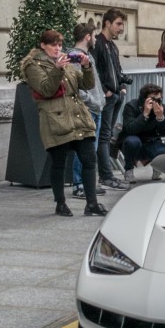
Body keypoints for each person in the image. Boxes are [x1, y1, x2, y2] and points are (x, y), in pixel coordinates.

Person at [20, 29, 105, 217]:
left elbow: (86, 84)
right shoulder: (32, 65)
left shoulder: (65, 61)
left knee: (89, 159)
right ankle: (60, 203)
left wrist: (86, 66)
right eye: (53, 45)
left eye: (59, 45)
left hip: (78, 117)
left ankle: (92, 203)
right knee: (58, 163)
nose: (57, 48)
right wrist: (57, 70)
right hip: (55, 119)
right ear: (43, 45)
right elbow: (46, 89)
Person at [92, 9, 132, 189]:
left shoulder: (112, 46)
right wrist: (105, 91)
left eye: (122, 24)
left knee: (107, 136)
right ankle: (106, 175)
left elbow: (117, 70)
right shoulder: (98, 44)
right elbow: (95, 71)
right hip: (107, 97)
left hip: (115, 96)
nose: (121, 28)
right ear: (107, 23)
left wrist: (122, 88)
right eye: (118, 23)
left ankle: (107, 175)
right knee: (104, 136)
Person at [68, 23, 106, 200]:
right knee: (83, 149)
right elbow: (76, 86)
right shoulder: (74, 57)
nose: (96, 39)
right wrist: (91, 100)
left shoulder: (88, 55)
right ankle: (79, 184)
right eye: (95, 36)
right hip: (87, 109)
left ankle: (89, 183)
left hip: (96, 107)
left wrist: (100, 100)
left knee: (92, 150)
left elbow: (94, 82)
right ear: (88, 37)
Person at [118, 83, 165, 183]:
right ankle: (129, 170)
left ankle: (157, 169)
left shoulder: (161, 108)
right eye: (153, 99)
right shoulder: (131, 106)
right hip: (133, 140)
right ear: (144, 99)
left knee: (163, 150)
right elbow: (130, 129)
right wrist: (145, 114)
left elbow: (164, 133)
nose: (156, 102)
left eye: (159, 99)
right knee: (132, 141)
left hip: (151, 141)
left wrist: (160, 117)